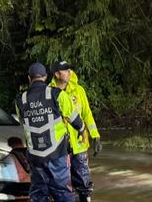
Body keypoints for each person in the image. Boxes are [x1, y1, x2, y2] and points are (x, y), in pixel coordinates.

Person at [15, 62, 85, 202]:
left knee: (38, 194)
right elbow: (74, 118)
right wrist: (82, 130)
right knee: (63, 192)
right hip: (57, 154)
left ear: (29, 78)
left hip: (35, 157)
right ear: (46, 77)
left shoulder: (20, 100)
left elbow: (23, 125)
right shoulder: (57, 94)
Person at [50, 61, 101, 202]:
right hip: (59, 148)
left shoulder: (79, 90)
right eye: (65, 70)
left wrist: (95, 136)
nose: (69, 72)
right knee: (60, 185)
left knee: (84, 184)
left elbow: (87, 114)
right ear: (56, 74)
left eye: (69, 69)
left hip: (79, 146)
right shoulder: (48, 93)